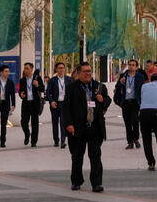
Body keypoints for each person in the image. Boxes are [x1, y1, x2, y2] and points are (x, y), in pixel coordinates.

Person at [62, 62, 110, 192]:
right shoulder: (72, 87)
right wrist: (68, 124)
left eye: (90, 71)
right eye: (85, 71)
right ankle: (76, 181)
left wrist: (102, 100)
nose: (88, 74)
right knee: (77, 156)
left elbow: (108, 100)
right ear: (78, 73)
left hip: (94, 127)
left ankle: (97, 183)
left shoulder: (98, 86)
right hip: (78, 128)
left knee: (95, 156)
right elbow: (66, 108)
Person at [114, 59, 147, 149]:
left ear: (137, 67)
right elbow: (117, 87)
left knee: (135, 121)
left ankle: (136, 139)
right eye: (130, 65)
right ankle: (130, 142)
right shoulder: (123, 75)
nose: (131, 66)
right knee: (127, 123)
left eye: (133, 65)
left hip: (135, 102)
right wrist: (121, 82)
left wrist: (143, 102)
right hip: (125, 102)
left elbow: (143, 90)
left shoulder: (140, 77)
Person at [19, 62, 44, 146]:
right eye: (24, 68)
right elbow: (20, 92)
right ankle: (27, 134)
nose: (25, 70)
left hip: (34, 103)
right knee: (23, 122)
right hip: (26, 103)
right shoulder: (22, 80)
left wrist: (37, 85)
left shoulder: (37, 78)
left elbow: (42, 89)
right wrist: (21, 95)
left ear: (31, 69)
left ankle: (34, 141)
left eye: (27, 68)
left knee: (35, 123)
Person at [46, 62, 70, 148]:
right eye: (59, 68)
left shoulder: (68, 79)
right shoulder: (52, 80)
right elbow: (48, 93)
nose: (61, 69)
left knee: (63, 123)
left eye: (62, 68)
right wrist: (51, 101)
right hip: (55, 104)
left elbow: (71, 92)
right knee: (55, 123)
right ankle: (56, 140)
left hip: (64, 104)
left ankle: (63, 141)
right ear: (56, 69)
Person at [0, 64, 16, 147]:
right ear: (1, 72)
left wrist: (13, 104)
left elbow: (12, 94)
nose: (7, 73)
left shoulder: (10, 82)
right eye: (6, 71)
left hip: (5, 104)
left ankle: (3, 141)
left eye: (8, 71)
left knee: (3, 123)